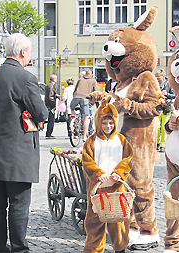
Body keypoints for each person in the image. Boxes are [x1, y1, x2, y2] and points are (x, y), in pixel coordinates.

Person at [0, 33, 47, 253]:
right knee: (19, 204)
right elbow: (41, 112)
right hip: (17, 153)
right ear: (22, 52)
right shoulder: (25, 78)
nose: (29, 57)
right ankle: (19, 248)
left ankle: (0, 246)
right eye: (29, 52)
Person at [82, 101, 133, 253]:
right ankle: (93, 249)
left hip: (117, 187)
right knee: (94, 221)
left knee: (118, 222)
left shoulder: (121, 140)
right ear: (99, 122)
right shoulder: (91, 141)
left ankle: (120, 248)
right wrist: (99, 174)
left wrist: (119, 172)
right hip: (97, 188)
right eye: (104, 123)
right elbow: (87, 161)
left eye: (111, 122)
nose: (108, 126)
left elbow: (128, 159)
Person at [70, 69, 98, 141]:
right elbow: (96, 92)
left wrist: (75, 97)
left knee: (72, 108)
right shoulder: (93, 80)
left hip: (76, 97)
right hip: (85, 98)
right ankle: (84, 136)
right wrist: (96, 102)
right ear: (91, 75)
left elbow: (75, 89)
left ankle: (74, 120)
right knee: (86, 117)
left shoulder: (80, 79)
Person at [155, 69, 176, 153]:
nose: (157, 78)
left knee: (164, 126)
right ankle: (156, 143)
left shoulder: (169, 85)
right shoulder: (155, 85)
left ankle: (163, 145)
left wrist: (167, 94)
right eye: (156, 76)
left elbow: (174, 95)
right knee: (157, 126)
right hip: (157, 107)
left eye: (158, 76)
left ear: (163, 77)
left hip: (166, 107)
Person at [44, 74, 59, 139]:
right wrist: (54, 105)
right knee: (51, 120)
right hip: (50, 105)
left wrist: (56, 96)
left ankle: (48, 133)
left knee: (50, 119)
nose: (57, 80)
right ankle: (49, 134)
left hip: (48, 104)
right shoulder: (51, 86)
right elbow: (50, 97)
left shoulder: (48, 85)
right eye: (56, 78)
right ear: (53, 79)